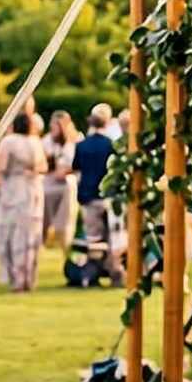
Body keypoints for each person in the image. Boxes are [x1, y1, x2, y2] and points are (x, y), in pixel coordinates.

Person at [0, 111, 47, 291]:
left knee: (12, 233)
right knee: (30, 235)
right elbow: (43, 166)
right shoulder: (36, 142)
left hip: (14, 189)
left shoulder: (9, 142)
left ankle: (16, 279)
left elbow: (1, 166)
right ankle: (29, 278)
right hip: (33, 189)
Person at [74, 104, 119, 278]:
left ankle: (92, 273)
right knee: (110, 236)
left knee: (93, 237)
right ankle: (111, 269)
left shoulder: (82, 145)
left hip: (88, 195)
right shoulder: (111, 145)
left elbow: (77, 169)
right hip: (107, 195)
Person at [41, 110, 80, 255]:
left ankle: (65, 242)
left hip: (66, 183)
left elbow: (72, 165)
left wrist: (65, 171)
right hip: (49, 181)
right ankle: (42, 240)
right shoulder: (46, 141)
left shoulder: (73, 142)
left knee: (66, 215)